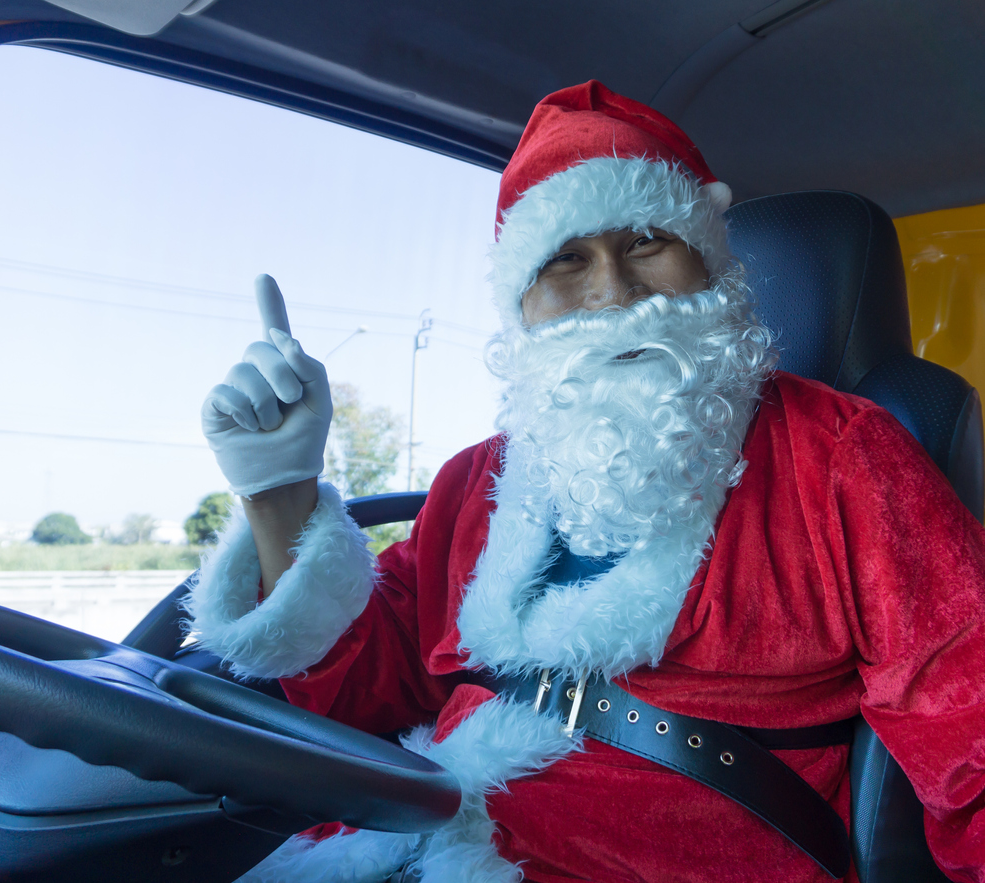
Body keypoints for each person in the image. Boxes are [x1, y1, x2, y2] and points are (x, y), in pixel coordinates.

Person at [186, 81, 985, 883]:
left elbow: (971, 729)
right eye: (567, 259)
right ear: (522, 306)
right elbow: (358, 699)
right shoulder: (477, 481)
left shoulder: (843, 455)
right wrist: (279, 489)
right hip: (415, 841)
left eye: (646, 241)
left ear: (709, 264)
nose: (613, 293)